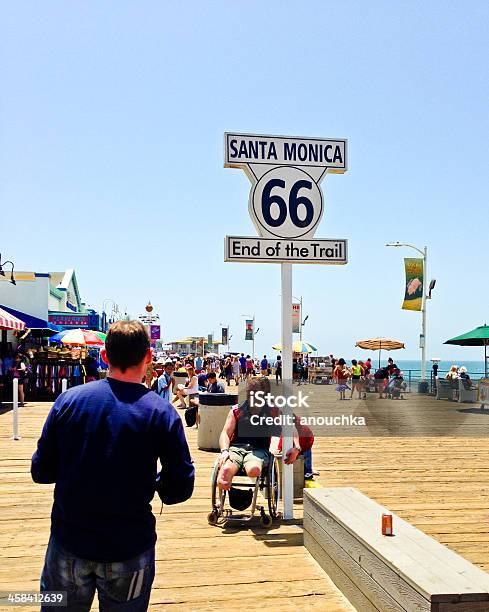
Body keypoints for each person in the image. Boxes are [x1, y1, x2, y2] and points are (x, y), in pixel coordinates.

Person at [31, 320, 194, 611]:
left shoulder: (69, 401)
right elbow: (178, 489)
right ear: (148, 357)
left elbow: (41, 471)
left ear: (104, 356)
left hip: (70, 542)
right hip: (129, 547)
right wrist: (155, 483)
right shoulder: (161, 413)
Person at [217, 378, 300, 490]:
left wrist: (297, 447)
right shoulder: (237, 410)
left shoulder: (271, 411)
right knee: (224, 474)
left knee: (253, 470)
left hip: (259, 450)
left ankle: (247, 496)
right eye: (249, 392)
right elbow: (225, 433)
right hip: (236, 449)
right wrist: (224, 451)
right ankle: (235, 498)